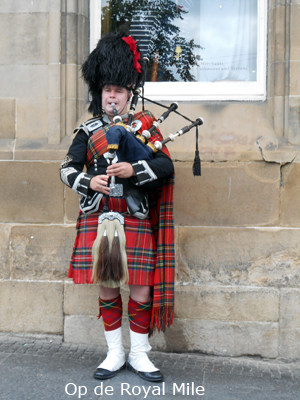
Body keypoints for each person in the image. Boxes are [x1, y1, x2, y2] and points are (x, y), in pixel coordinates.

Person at [60, 32, 175, 383]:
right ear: (100, 93)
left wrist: (132, 170)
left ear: (129, 94)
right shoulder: (87, 130)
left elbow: (167, 168)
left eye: (119, 90)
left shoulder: (144, 128)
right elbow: (66, 169)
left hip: (134, 217)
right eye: (108, 90)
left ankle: (139, 354)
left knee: (140, 287)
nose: (113, 96)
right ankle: (114, 353)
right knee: (108, 286)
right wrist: (88, 182)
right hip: (99, 218)